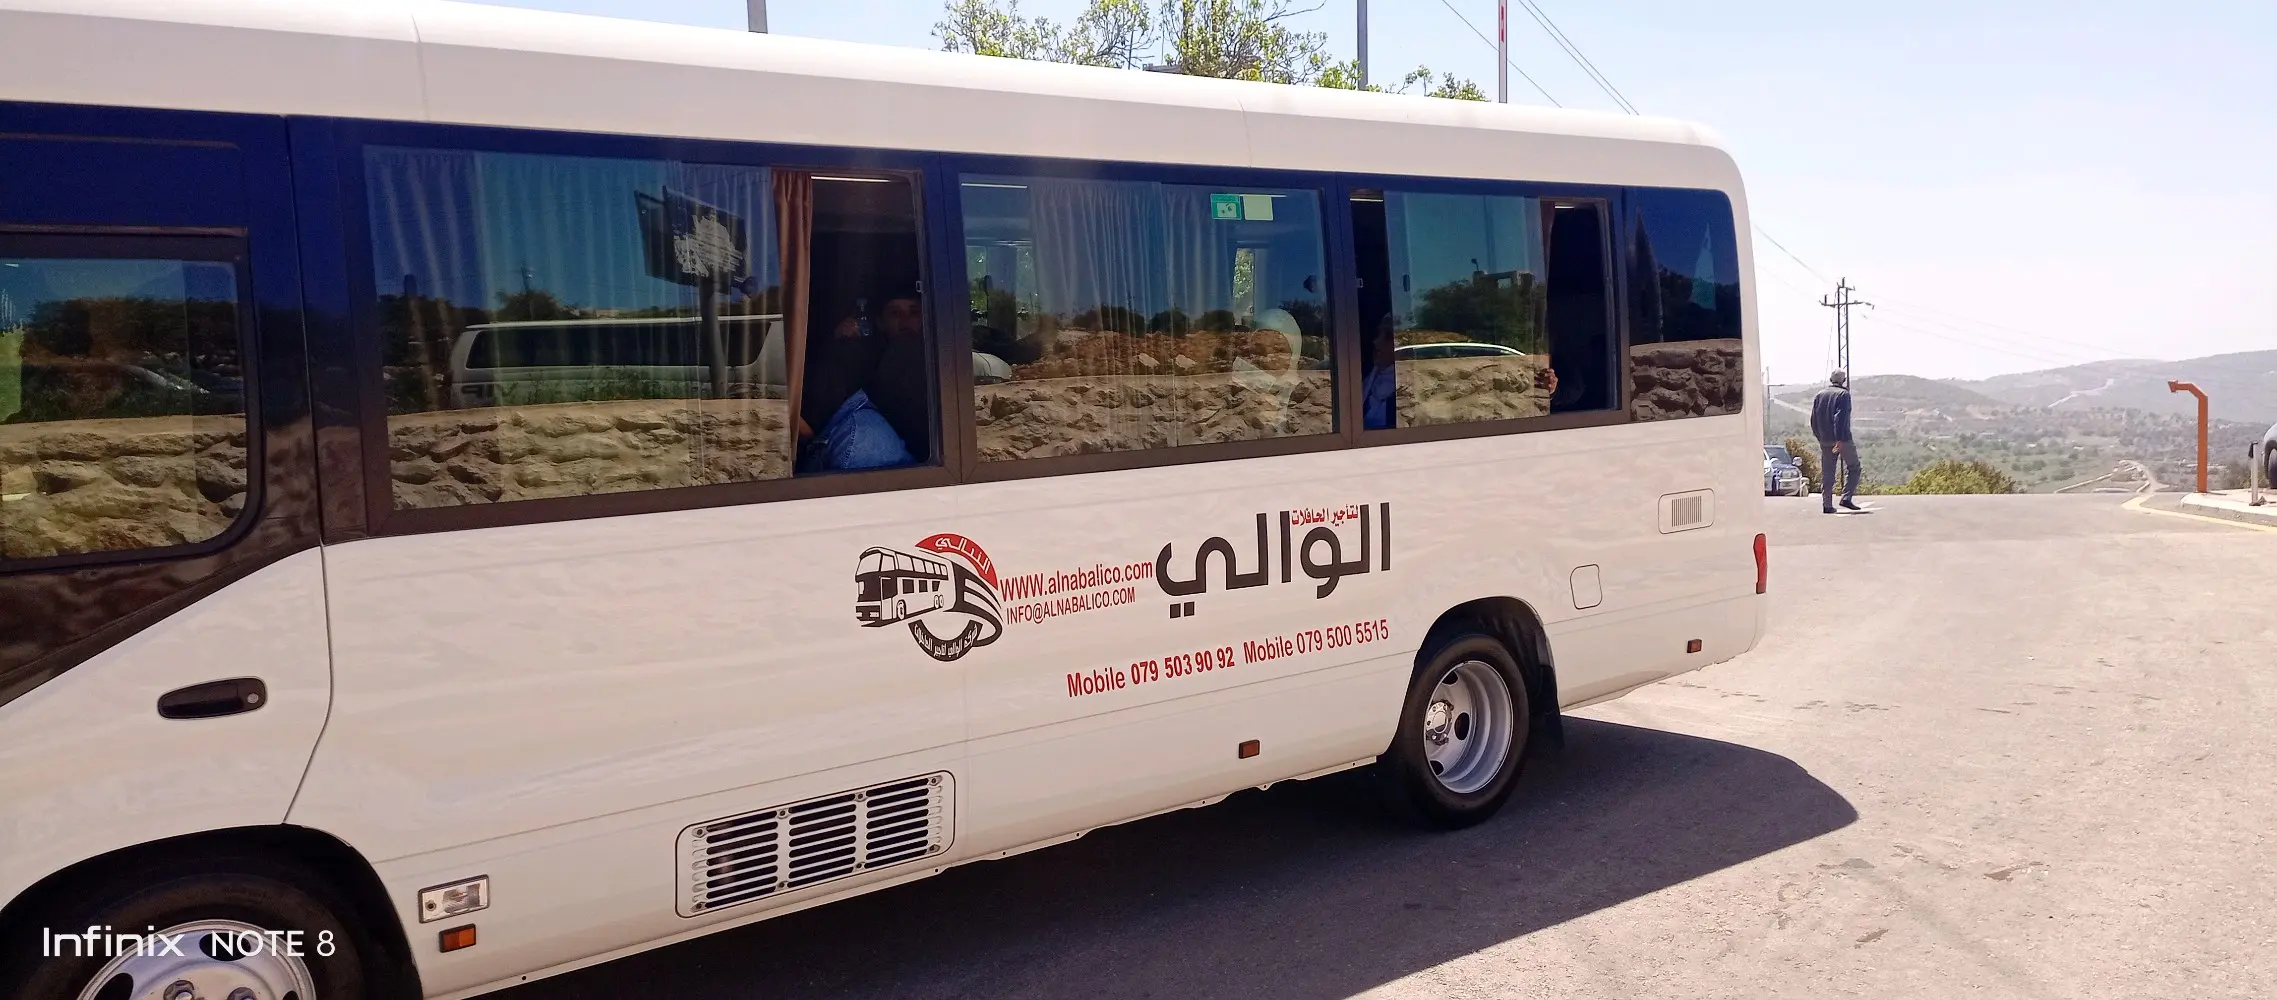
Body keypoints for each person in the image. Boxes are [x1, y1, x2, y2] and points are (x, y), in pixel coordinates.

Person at [1811, 369, 1861, 512]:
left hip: (1825, 439)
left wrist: (1819, 436)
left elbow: (1813, 419)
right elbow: (1840, 418)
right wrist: (1839, 439)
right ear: (1844, 380)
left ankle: (1827, 504)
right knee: (1854, 467)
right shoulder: (1843, 395)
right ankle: (1846, 497)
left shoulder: (1819, 395)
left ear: (1830, 379)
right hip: (1842, 440)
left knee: (1828, 472)